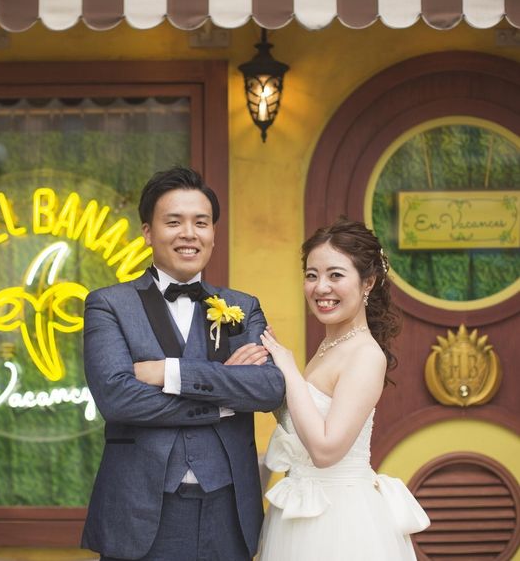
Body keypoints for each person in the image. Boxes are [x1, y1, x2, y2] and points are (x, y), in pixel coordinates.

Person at [81, 166, 285, 561]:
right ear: (147, 232)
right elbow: (117, 398)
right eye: (174, 222)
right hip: (140, 509)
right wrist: (225, 396)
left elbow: (269, 388)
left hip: (228, 510)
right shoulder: (109, 305)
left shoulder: (243, 307)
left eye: (201, 223)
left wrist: (169, 373)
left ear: (213, 233)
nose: (189, 233)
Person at [257, 218, 429, 561]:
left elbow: (325, 451)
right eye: (312, 275)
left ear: (368, 282)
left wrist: (289, 371)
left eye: (335, 275)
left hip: (339, 521)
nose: (321, 287)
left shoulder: (365, 355)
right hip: (301, 510)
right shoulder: (329, 347)